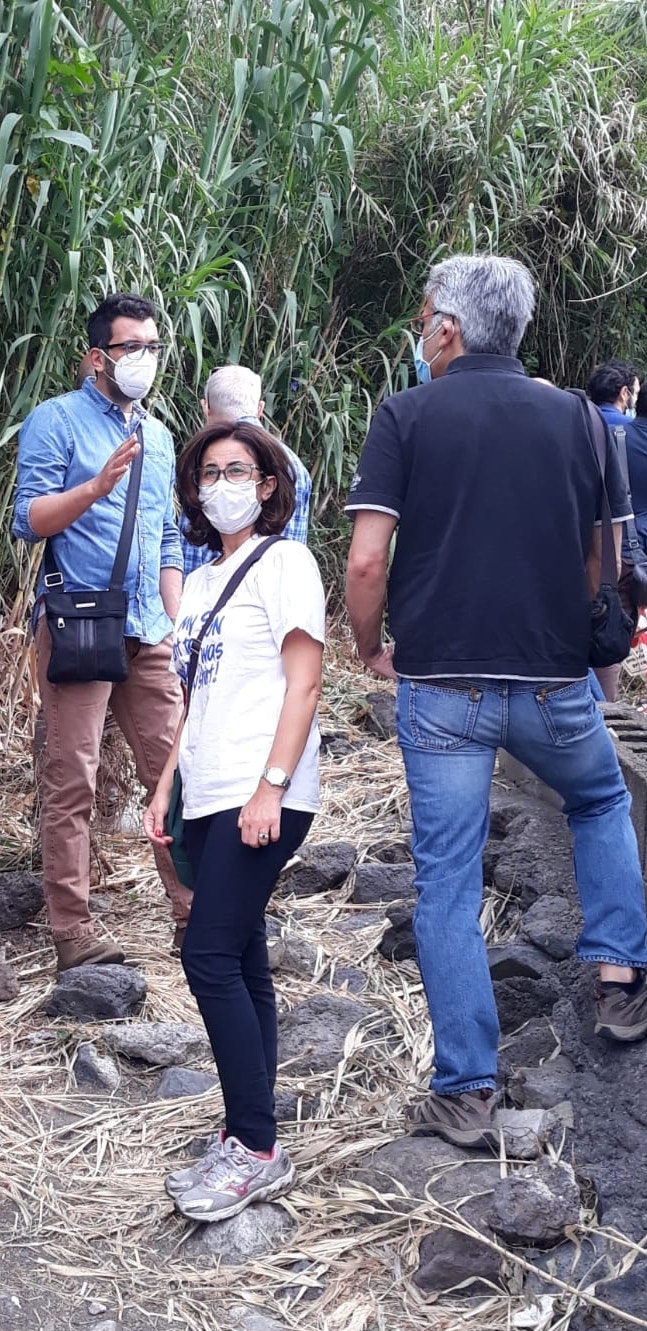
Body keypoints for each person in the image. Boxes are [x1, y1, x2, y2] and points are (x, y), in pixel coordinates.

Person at [345, 254, 647, 1150]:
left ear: (447, 328)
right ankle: (619, 981)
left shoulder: (405, 415)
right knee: (598, 798)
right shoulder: (580, 420)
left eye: (423, 317)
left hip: (439, 686)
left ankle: (465, 1090)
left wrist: (368, 646)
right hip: (552, 682)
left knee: (446, 875)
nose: (420, 331)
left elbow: (366, 561)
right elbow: (605, 557)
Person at [145, 420, 324, 1220]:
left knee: (207, 954)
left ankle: (254, 1145)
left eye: (236, 470)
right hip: (208, 790)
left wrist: (270, 787)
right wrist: (164, 784)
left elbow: (305, 682)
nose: (220, 484)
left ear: (267, 484)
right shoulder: (201, 582)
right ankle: (245, 1128)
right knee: (242, 957)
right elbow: (193, 698)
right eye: (207, 472)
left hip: (262, 790)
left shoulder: (285, 562)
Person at [13, 293, 190, 969]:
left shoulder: (160, 436)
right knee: (72, 779)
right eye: (131, 347)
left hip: (149, 628)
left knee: (174, 774)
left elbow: (167, 533)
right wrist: (94, 488)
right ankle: (73, 932)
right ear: (97, 357)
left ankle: (193, 914)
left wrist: (176, 622)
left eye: (153, 347)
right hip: (80, 622)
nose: (145, 358)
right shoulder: (56, 420)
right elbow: (28, 520)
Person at [180, 366, 312, 579]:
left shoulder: (197, 459)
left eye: (236, 471)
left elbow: (189, 546)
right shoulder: (292, 465)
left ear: (206, 408)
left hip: (196, 591)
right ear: (260, 409)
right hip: (273, 586)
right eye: (212, 473)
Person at [587, 359, 644, 700]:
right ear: (624, 393)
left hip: (583, 549)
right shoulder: (632, 431)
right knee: (610, 632)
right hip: (627, 552)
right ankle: (608, 707)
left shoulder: (578, 427)